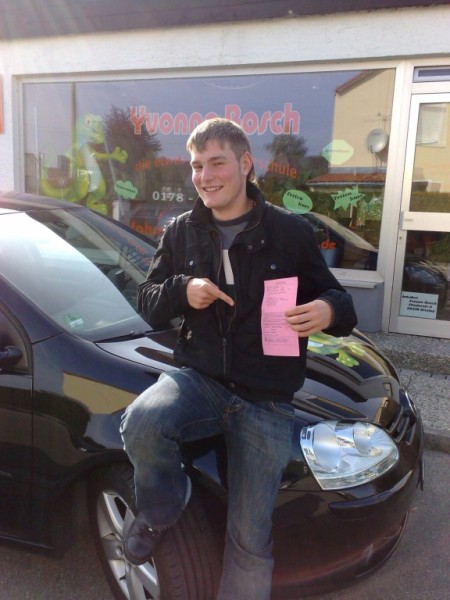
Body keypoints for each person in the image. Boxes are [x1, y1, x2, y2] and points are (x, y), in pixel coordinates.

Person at [120, 117, 357, 600]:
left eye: (216, 163)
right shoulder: (181, 231)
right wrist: (183, 289)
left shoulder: (290, 232)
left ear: (245, 164)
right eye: (196, 166)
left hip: (266, 400)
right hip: (200, 380)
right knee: (141, 421)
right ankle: (162, 510)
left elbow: (341, 302)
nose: (205, 176)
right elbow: (146, 300)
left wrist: (327, 309)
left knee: (250, 540)